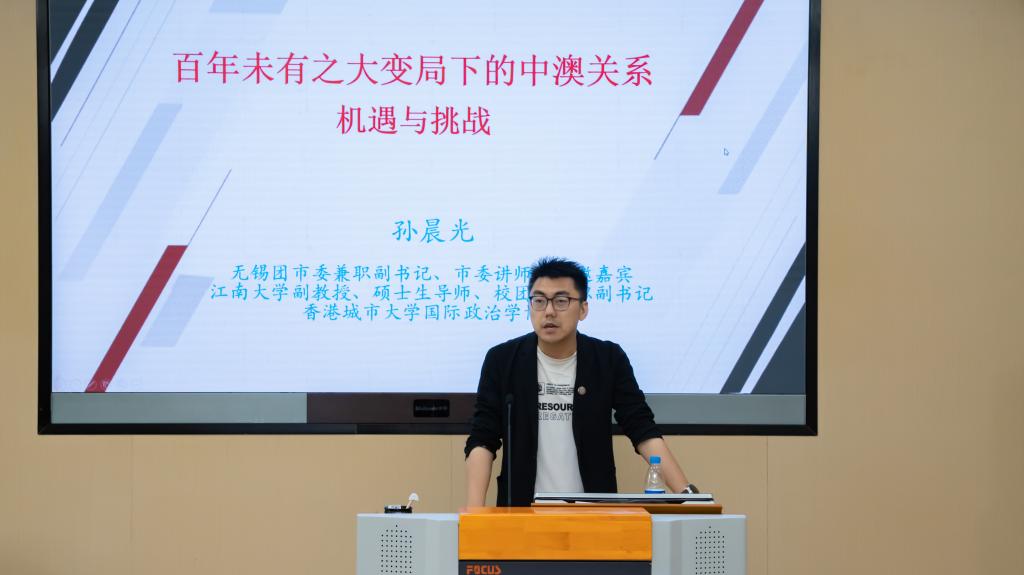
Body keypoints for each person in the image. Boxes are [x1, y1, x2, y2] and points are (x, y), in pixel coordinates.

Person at [464, 257, 695, 507]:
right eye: (539, 301)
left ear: (583, 309)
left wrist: (688, 496)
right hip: (522, 513)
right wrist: (475, 512)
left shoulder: (607, 359)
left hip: (592, 514)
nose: (549, 311)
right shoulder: (503, 360)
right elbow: (483, 439)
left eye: (561, 301)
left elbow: (642, 429)